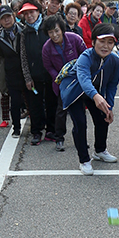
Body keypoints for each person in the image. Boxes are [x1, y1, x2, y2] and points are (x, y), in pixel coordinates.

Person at [59, 22, 119, 174]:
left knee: (103, 117)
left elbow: (112, 85)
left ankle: (100, 151)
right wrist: (96, 96)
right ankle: (84, 160)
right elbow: (84, 80)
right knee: (80, 123)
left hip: (95, 92)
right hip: (75, 92)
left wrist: (109, 106)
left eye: (110, 42)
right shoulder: (85, 57)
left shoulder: (115, 60)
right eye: (102, 41)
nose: (105, 46)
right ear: (93, 42)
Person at [41, 14, 86, 151]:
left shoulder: (75, 38)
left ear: (61, 28)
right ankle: (59, 138)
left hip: (79, 81)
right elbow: (49, 67)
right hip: (62, 84)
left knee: (80, 113)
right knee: (61, 111)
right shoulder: (46, 48)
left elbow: (85, 56)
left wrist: (80, 74)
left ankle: (81, 139)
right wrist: (60, 78)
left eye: (56, 30)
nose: (54, 35)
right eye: (50, 32)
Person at [17, 0, 56, 144]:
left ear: (38, 11)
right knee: (35, 104)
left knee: (52, 102)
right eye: (25, 13)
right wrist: (27, 77)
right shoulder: (23, 32)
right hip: (34, 76)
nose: (29, 16)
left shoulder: (48, 26)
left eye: (31, 12)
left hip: (51, 74)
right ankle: (36, 131)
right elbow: (23, 56)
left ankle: (51, 130)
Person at [0, 5, 25, 136]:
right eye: (3, 18)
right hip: (11, 73)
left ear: (13, 15)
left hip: (26, 71)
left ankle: (37, 128)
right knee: (15, 102)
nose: (6, 20)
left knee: (33, 99)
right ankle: (16, 127)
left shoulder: (23, 30)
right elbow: (1, 54)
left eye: (8, 16)